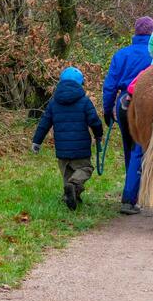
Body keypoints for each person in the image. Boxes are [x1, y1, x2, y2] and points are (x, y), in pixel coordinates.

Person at [101, 17, 153, 215]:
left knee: (130, 149)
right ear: (152, 34)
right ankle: (130, 198)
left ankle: (133, 194)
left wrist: (107, 111)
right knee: (140, 150)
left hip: (123, 103)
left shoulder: (121, 54)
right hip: (147, 103)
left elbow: (109, 86)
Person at [31, 67, 104, 211]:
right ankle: (74, 187)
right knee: (85, 169)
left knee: (67, 174)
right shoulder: (84, 101)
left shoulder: (54, 102)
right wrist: (98, 135)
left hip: (62, 150)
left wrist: (36, 142)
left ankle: (71, 196)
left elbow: (44, 123)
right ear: (80, 83)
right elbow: (94, 121)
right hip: (80, 149)